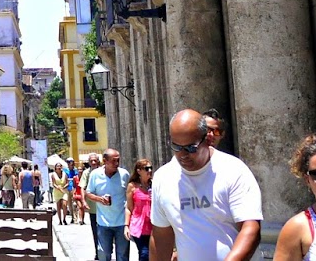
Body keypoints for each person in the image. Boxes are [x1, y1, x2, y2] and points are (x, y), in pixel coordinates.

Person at [151, 109, 263, 261]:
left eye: (191, 148)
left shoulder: (234, 170)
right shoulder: (163, 178)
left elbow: (250, 229)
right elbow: (161, 235)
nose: (183, 155)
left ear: (207, 139)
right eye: (177, 147)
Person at [87, 149, 131, 261]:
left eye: (118, 161)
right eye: (113, 161)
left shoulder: (124, 174)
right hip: (103, 223)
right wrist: (99, 199)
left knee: (123, 256)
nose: (116, 164)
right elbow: (88, 193)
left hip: (121, 222)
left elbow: (130, 195)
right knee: (104, 254)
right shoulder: (95, 175)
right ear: (105, 161)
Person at [127, 158, 154, 261]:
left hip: (154, 225)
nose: (150, 171)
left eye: (151, 168)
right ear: (139, 171)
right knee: (144, 253)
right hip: (139, 226)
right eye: (147, 169)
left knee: (154, 254)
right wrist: (126, 226)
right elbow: (129, 208)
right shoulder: (132, 186)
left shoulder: (154, 184)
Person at [83, 154, 102, 249]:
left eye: (95, 160)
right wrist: (83, 201)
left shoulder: (104, 171)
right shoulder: (86, 173)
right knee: (95, 231)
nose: (93, 162)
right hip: (93, 208)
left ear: (98, 161)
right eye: (91, 161)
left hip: (104, 208)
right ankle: (98, 251)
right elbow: (82, 187)